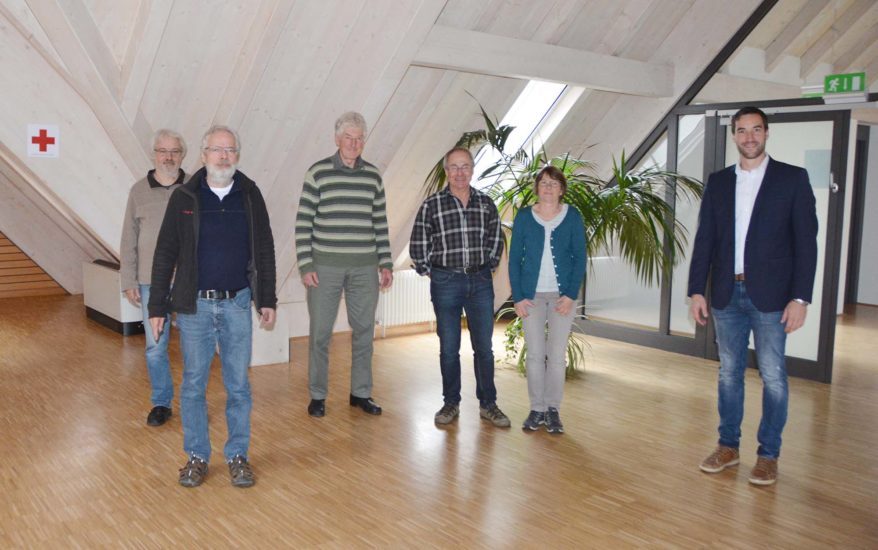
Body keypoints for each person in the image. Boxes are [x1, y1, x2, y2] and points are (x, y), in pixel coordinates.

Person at [688, 106, 818, 486]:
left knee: (773, 376)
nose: (749, 137)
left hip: (773, 297)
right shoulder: (718, 182)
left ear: (766, 133)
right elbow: (705, 239)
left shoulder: (792, 179)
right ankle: (728, 447)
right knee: (729, 373)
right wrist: (697, 290)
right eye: (742, 130)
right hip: (726, 293)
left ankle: (768, 455)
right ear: (734, 135)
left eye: (756, 130)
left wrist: (800, 298)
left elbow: (806, 244)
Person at [149, 125, 276, 488]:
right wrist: (157, 306)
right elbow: (165, 253)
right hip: (195, 308)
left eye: (230, 150)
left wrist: (267, 298)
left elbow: (264, 248)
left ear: (237, 155)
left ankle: (237, 455)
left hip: (237, 303)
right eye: (217, 150)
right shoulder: (184, 196)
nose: (223, 156)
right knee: (193, 385)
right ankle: (197, 456)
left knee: (238, 385)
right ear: (203, 155)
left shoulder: (250, 195)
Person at [294, 112, 393, 418]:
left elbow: (380, 223)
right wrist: (306, 264)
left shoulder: (373, 176)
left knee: (364, 331)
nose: (354, 143)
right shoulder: (318, 173)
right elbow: (303, 222)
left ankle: (360, 393)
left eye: (359, 138)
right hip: (324, 267)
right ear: (337, 139)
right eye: (348, 137)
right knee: (320, 333)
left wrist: (386, 262)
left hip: (365, 267)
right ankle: (317, 395)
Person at [410, 146, 510, 427]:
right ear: (446, 171)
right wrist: (431, 272)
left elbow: (495, 239)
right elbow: (418, 244)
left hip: (480, 282)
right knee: (449, 348)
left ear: (472, 169)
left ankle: (488, 404)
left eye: (465, 166)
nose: (459, 172)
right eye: (454, 167)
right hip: (446, 283)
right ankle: (450, 403)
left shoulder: (486, 203)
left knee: (484, 349)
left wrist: (489, 266)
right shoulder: (432, 205)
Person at [508, 166, 586, 434]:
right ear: (537, 188)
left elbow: (580, 258)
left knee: (555, 356)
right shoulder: (524, 217)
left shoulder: (572, 216)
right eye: (543, 183)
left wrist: (570, 295)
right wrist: (518, 297)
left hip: (562, 298)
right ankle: (537, 408)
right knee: (534, 355)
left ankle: (553, 409)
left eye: (554, 183)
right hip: (531, 298)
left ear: (562, 189)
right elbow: (514, 259)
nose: (548, 188)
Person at [120, 129, 187, 427]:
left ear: (182, 155)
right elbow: (128, 238)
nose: (168, 157)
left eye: (174, 151)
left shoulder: (195, 188)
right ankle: (161, 402)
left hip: (188, 281)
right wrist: (129, 280)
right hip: (150, 282)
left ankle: (192, 400)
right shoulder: (138, 191)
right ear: (154, 155)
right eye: (163, 151)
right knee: (155, 346)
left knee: (194, 345)